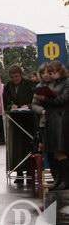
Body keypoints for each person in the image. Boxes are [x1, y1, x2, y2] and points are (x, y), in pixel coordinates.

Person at [34, 61, 68, 190]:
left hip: (62, 119)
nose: (50, 75)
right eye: (49, 72)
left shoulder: (66, 82)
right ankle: (58, 179)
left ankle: (65, 180)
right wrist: (42, 99)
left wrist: (45, 99)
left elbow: (62, 99)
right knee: (53, 151)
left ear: (60, 71)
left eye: (52, 72)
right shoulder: (52, 83)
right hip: (51, 119)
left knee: (61, 150)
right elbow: (38, 103)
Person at [3, 65, 35, 183]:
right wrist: (11, 106)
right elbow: (5, 101)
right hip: (15, 120)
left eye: (16, 76)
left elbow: (35, 99)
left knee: (29, 145)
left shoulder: (29, 84)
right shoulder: (8, 86)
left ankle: (30, 172)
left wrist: (29, 106)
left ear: (21, 75)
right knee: (16, 147)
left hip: (28, 119)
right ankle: (19, 172)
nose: (14, 79)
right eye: (12, 77)